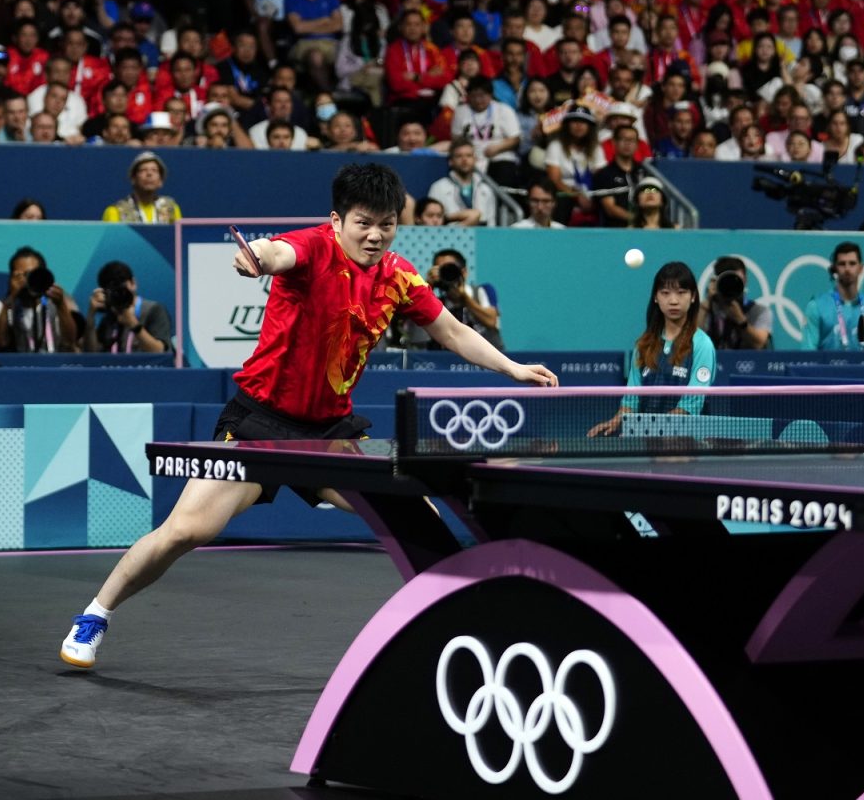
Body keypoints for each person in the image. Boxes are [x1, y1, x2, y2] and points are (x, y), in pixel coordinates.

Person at [59, 163, 557, 669]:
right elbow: (277, 252)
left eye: (386, 224)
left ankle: (466, 621)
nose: (376, 235)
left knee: (416, 512)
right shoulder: (314, 248)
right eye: (364, 223)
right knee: (186, 530)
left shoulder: (398, 276)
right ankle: (96, 613)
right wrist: (256, 258)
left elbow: (451, 331)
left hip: (329, 433)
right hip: (259, 424)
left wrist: (512, 368)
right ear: (337, 220)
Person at [588, 261, 718, 436]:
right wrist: (616, 421)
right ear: (656, 297)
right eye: (665, 293)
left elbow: (691, 403)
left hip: (688, 440)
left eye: (681, 293)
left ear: (693, 296)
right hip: (648, 440)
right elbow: (632, 397)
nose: (673, 301)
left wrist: (654, 429)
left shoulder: (702, 344)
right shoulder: (644, 344)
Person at [0, 246, 80, 353]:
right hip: (18, 363)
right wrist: (10, 299)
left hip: (54, 362)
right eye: (21, 275)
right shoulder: (1, 306)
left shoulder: (59, 303)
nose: (26, 280)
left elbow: (70, 342)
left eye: (31, 274)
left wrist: (61, 305)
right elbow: (1, 342)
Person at [800, 241, 864, 351]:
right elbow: (808, 353)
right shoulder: (816, 307)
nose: (847, 269)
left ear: (861, 268)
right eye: (842, 264)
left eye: (852, 263)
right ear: (835, 268)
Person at [83, 260, 174, 353]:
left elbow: (161, 352)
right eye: (112, 290)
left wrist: (134, 324)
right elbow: (92, 354)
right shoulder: (109, 317)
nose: (118, 294)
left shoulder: (154, 310)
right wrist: (91, 316)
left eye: (121, 288)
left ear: (133, 283)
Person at [703, 255, 772, 350]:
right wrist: (707, 301)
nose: (731, 285)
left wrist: (740, 319)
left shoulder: (759, 311)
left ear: (745, 280)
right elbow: (691, 340)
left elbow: (759, 344)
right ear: (716, 281)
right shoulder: (705, 309)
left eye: (736, 279)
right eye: (728, 281)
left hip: (747, 359)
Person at [426, 139, 498, 226]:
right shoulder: (438, 187)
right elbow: (431, 221)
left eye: (469, 156)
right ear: (450, 161)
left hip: (481, 233)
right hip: (450, 232)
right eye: (459, 156)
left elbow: (491, 223)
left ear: (475, 160)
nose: (464, 160)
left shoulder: (486, 190)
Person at [102, 151, 183, 224]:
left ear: (161, 181)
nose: (149, 174)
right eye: (143, 170)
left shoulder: (171, 209)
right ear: (133, 179)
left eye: (154, 170)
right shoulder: (116, 211)